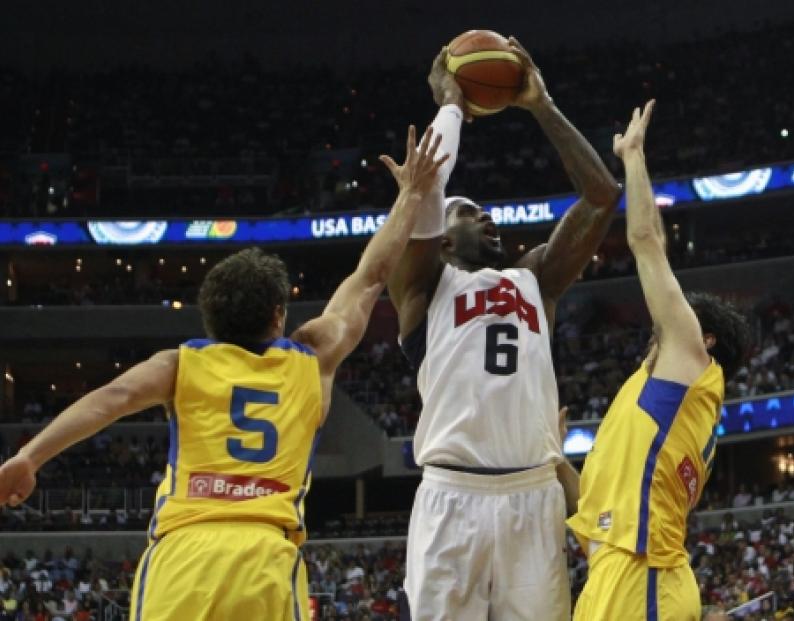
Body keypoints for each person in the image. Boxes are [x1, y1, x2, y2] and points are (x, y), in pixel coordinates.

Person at [0, 125, 449, 621]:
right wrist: (411, 195)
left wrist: (29, 456)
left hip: (183, 555)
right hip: (265, 555)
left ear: (209, 319)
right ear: (279, 315)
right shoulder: (311, 357)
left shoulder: (181, 364)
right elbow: (369, 278)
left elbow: (112, 397)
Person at [390, 40, 621, 620]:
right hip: (452, 494)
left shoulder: (534, 278)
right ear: (440, 237)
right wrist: (449, 102)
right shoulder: (421, 285)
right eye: (469, 211)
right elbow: (427, 193)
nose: (486, 215)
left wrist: (542, 106)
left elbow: (601, 197)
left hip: (532, 493)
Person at [563, 100, 751, 620]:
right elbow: (597, 510)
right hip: (614, 577)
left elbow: (646, 240)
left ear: (705, 339)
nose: (659, 323)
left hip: (644, 577)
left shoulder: (691, 363)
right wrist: (558, 464)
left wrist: (633, 157)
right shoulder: (649, 405)